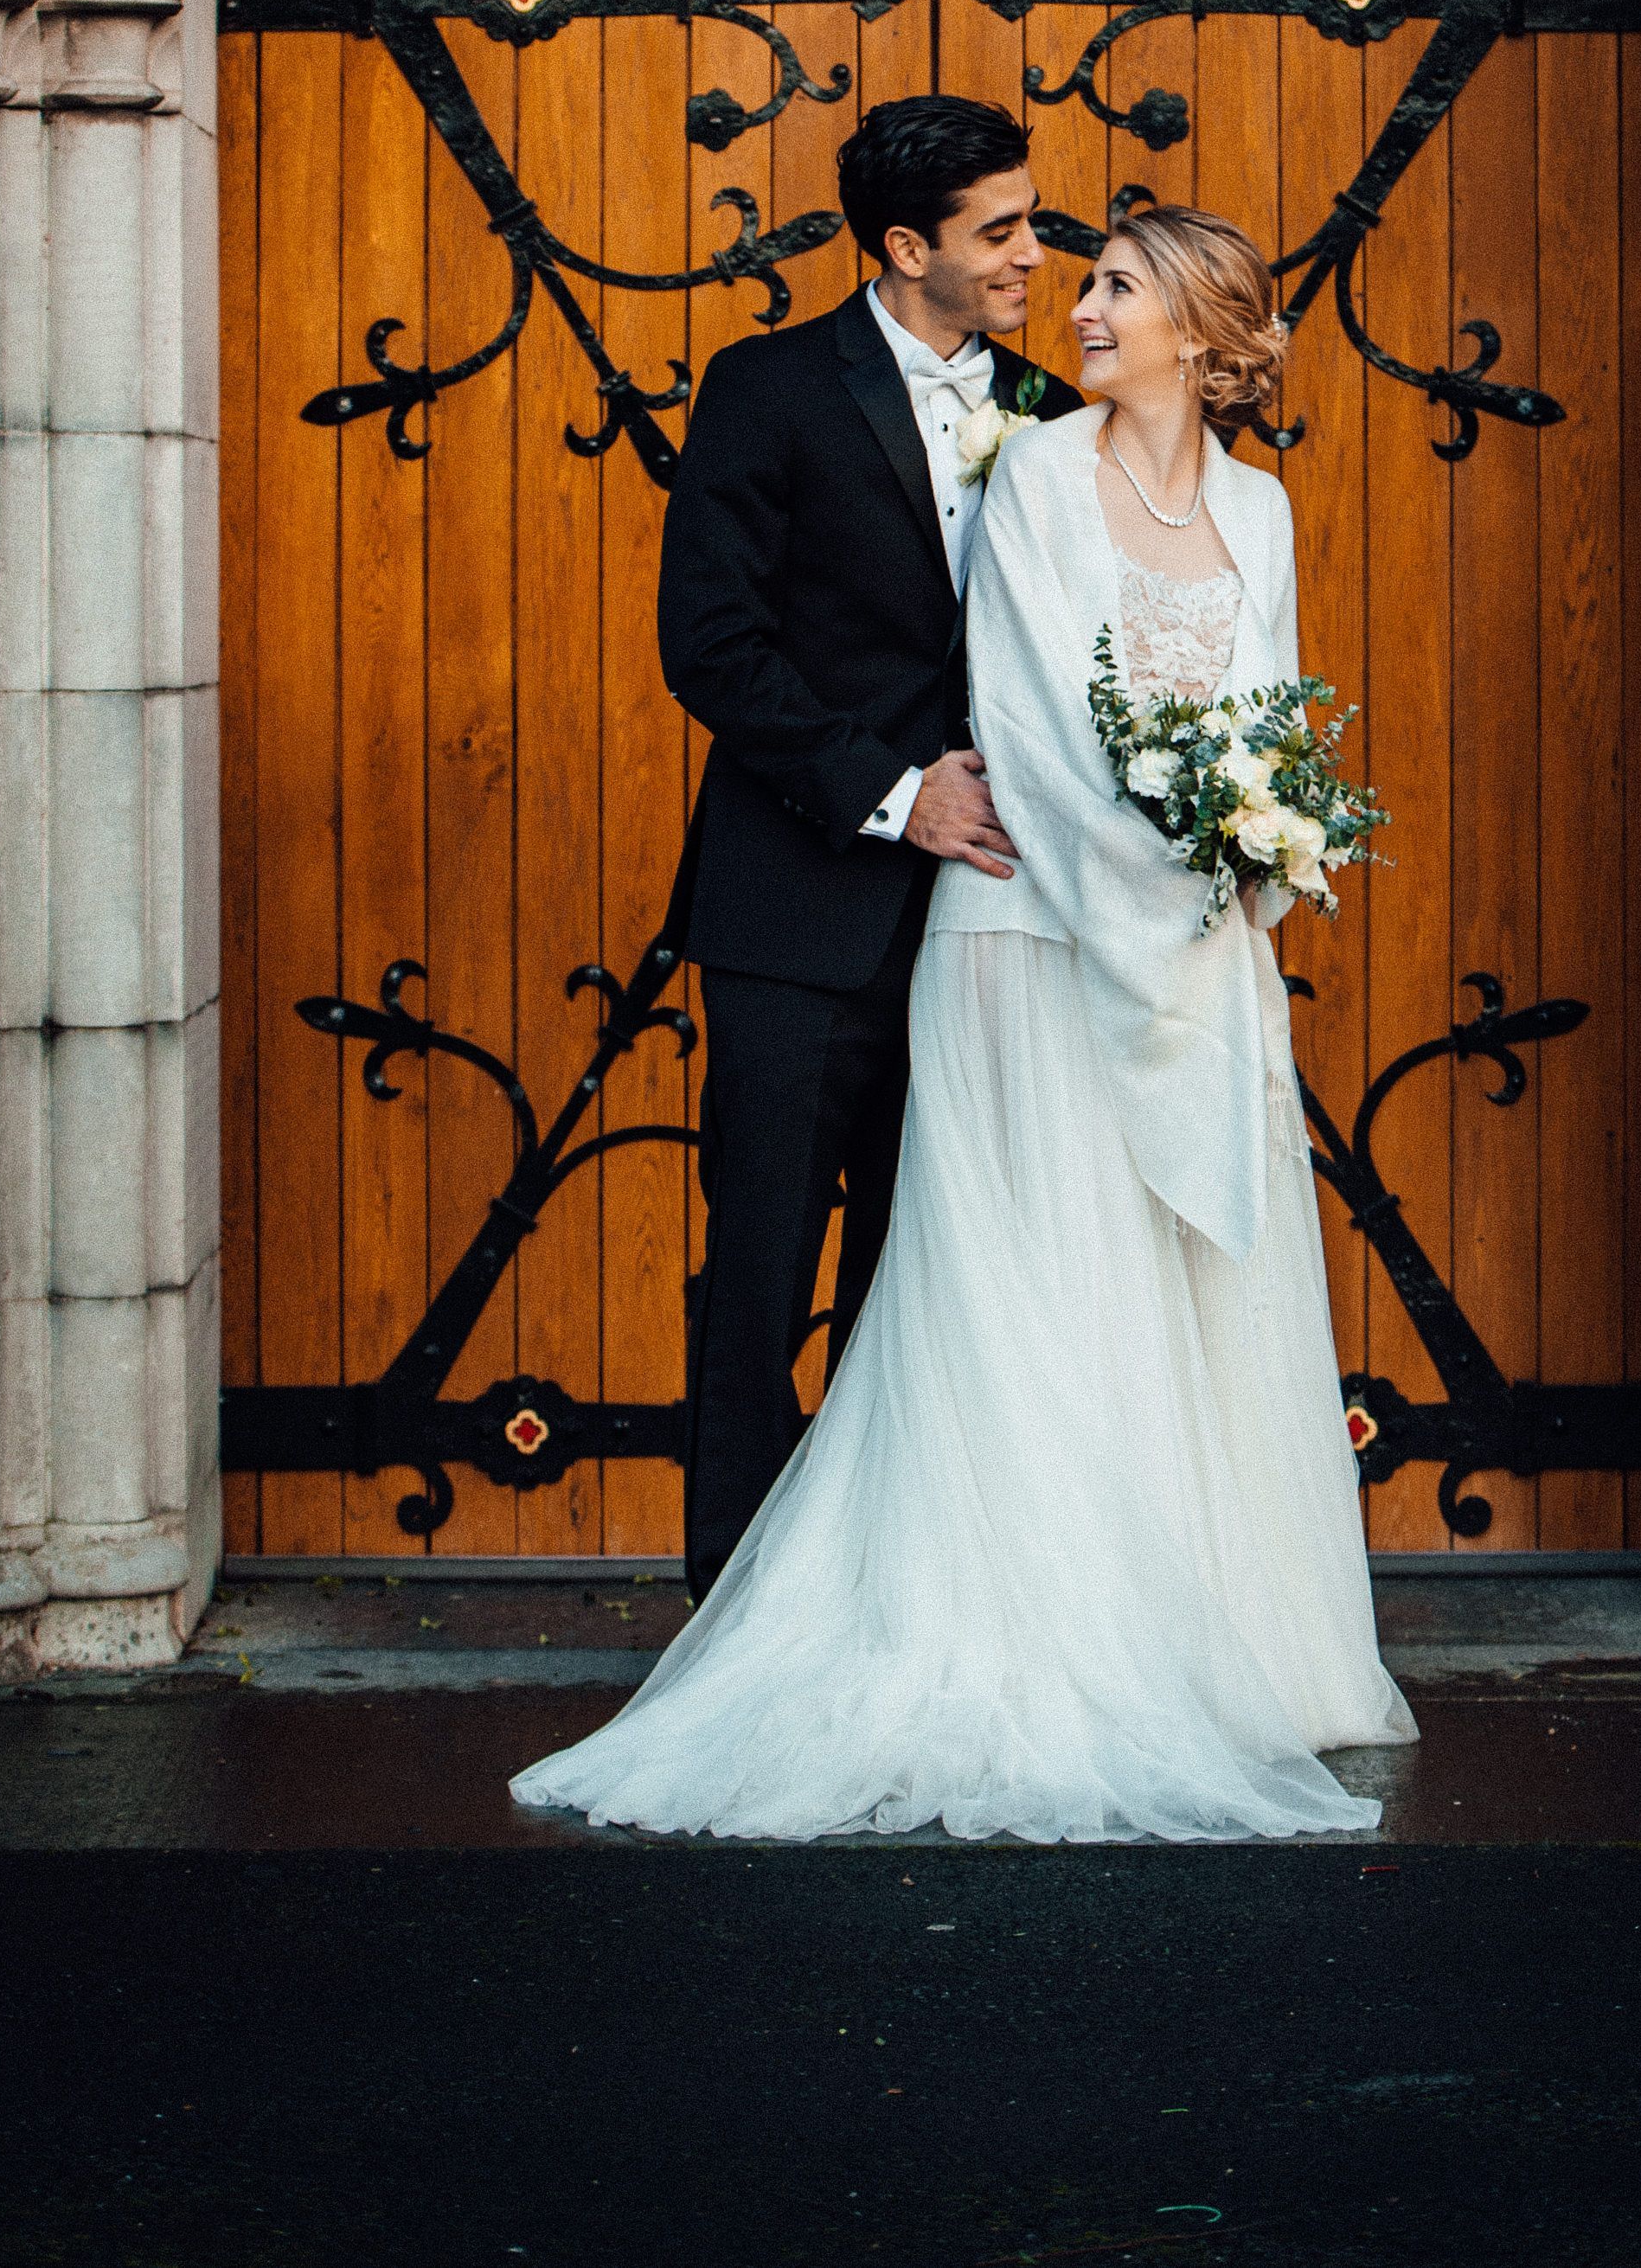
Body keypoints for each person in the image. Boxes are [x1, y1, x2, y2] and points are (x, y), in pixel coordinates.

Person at [513, 199, 1414, 1842]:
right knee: (1031, 1271)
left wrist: (1256, 865)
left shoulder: (1264, 510)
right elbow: (1029, 713)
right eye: (1073, 274)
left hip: (1197, 946)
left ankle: (1215, 1634)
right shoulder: (1035, 473)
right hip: (1031, 930)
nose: (1074, 303)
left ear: (1204, 336)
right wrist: (1147, 889)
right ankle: (1003, 1625)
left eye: (1117, 286)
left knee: (1173, 1279)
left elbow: (1268, 712)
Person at [652, 93, 1084, 1605]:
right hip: (796, 904)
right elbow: (708, 645)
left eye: (1032, 220)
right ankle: (732, 1606)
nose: (1037, 251)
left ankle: (892, 1590)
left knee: (921, 1276)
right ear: (906, 249)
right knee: (762, 1268)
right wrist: (901, 791)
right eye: (1001, 230)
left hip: (984, 925)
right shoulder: (767, 390)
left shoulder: (1048, 406)